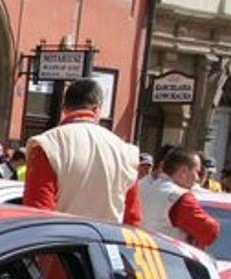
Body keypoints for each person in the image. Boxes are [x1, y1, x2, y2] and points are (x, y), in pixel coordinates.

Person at [22, 79, 142, 223]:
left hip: (62, 240)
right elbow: (132, 219)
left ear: (65, 109)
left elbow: (38, 211)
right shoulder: (125, 152)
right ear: (97, 109)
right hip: (107, 241)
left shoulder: (48, 144)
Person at [137, 147, 221, 251]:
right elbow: (209, 231)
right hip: (167, 260)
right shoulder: (179, 197)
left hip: (134, 255)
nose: (197, 178)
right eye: (197, 172)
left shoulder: (140, 187)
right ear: (183, 172)